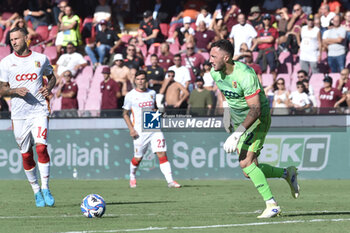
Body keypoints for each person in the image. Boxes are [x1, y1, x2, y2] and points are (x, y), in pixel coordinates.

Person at [209, 39, 299, 218]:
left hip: (257, 119)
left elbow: (255, 110)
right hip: (239, 120)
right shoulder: (215, 72)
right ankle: (287, 173)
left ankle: (272, 204)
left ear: (226, 58)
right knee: (249, 170)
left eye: (213, 56)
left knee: (245, 163)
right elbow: (224, 92)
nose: (210, 59)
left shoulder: (246, 76)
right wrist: (226, 113)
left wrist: (236, 134)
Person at [0, 27, 56, 207]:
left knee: (41, 148)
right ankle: (36, 191)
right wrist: (14, 90)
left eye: (16, 38)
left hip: (39, 110)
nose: (13, 42)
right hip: (18, 114)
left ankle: (46, 188)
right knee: (26, 155)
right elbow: (1, 89)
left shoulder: (40, 59)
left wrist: (49, 88)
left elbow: (52, 77)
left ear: (26, 38)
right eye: (11, 40)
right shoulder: (6, 62)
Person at [122, 70, 181, 188]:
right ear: (135, 81)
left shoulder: (152, 93)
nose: (140, 81)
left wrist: (158, 112)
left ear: (146, 80)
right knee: (138, 158)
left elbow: (154, 108)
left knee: (162, 153)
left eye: (142, 79)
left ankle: (170, 181)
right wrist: (131, 129)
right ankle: (132, 175)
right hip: (139, 130)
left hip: (153, 127)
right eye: (138, 79)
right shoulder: (130, 95)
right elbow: (125, 114)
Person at [251, 13, 279, 82]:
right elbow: (256, 40)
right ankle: (264, 84)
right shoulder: (260, 30)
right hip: (261, 51)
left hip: (270, 51)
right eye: (265, 19)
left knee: (273, 69)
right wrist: (265, 39)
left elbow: (271, 39)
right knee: (262, 70)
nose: (267, 21)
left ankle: (274, 84)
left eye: (268, 19)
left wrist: (260, 40)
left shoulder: (273, 29)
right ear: (263, 20)